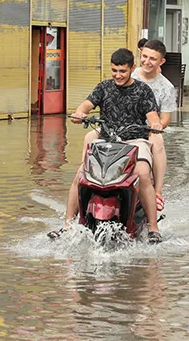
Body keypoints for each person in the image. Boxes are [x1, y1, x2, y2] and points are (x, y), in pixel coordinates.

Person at [50, 48, 164, 243]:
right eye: (114, 71)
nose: (118, 75)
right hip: (106, 141)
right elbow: (86, 105)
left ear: (132, 69)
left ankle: (153, 228)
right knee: (80, 175)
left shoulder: (143, 90)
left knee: (143, 172)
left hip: (134, 141)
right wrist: (79, 113)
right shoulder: (104, 87)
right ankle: (68, 225)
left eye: (122, 71)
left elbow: (152, 115)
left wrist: (155, 124)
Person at [132, 39, 177, 211]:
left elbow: (165, 119)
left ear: (161, 62)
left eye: (152, 59)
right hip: (122, 127)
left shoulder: (166, 87)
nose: (147, 62)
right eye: (144, 56)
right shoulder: (129, 76)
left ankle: (157, 192)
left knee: (157, 141)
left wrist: (155, 125)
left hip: (147, 131)